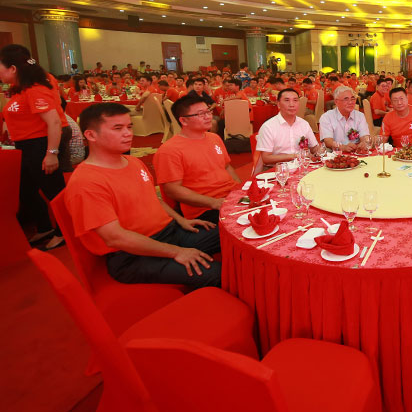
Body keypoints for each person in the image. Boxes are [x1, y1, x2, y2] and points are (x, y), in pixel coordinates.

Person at [64, 103, 220, 288]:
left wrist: (181, 220)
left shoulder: (133, 162)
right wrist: (176, 251)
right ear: (91, 135)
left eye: (129, 127)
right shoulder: (86, 183)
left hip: (170, 232)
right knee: (220, 273)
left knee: (234, 237)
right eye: (118, 128)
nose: (128, 133)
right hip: (133, 256)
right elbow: (115, 237)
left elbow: (153, 199)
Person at [0, 44, 69, 250]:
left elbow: (54, 122)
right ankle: (44, 226)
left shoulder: (35, 90)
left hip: (40, 143)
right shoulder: (20, 88)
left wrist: (52, 153)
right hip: (25, 145)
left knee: (54, 191)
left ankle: (65, 232)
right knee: (25, 190)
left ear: (13, 68)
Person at [153, 95, 241, 224]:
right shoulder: (169, 150)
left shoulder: (214, 138)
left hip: (231, 197)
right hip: (205, 208)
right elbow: (172, 190)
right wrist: (214, 202)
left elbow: (227, 167)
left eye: (208, 111)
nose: (208, 117)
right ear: (183, 121)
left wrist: (240, 189)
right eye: (201, 114)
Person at [256, 88, 321, 166]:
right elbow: (266, 158)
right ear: (278, 104)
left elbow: (314, 148)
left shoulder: (304, 124)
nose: (291, 105)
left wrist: (320, 150)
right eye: (287, 100)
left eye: (295, 100)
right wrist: (294, 156)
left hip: (301, 166)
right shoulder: (268, 127)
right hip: (277, 168)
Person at [319, 85, 371, 152]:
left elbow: (364, 136)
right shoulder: (327, 117)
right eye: (346, 99)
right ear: (336, 102)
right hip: (335, 154)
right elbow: (328, 141)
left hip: (356, 152)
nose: (350, 102)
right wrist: (343, 147)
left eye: (353, 98)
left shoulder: (360, 116)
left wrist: (364, 142)